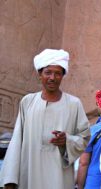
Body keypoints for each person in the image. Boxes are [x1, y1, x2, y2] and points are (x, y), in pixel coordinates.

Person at [0, 49, 90, 189]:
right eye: (48, 72)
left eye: (58, 73)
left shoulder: (74, 104)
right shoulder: (27, 102)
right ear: (39, 75)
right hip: (29, 175)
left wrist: (67, 141)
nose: (52, 78)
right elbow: (17, 141)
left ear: (62, 76)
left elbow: (84, 138)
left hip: (59, 178)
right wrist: (10, 179)